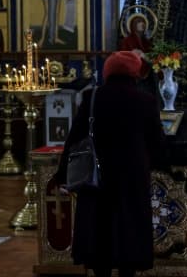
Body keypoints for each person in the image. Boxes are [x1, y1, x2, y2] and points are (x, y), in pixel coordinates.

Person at [54, 50, 166, 277]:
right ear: (134, 72)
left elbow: (74, 139)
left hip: (97, 178)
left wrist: (62, 175)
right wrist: (158, 163)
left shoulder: (92, 98)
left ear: (108, 71)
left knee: (99, 232)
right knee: (129, 233)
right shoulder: (145, 101)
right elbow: (157, 143)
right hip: (132, 179)